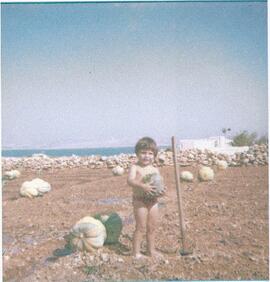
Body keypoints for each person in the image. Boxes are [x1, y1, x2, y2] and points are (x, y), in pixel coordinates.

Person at [127, 137, 166, 259]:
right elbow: (130, 181)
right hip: (140, 201)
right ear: (137, 153)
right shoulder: (135, 167)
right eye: (143, 153)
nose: (146, 156)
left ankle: (151, 251)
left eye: (150, 153)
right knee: (141, 227)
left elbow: (158, 185)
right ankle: (136, 253)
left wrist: (161, 192)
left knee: (151, 227)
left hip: (153, 201)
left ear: (154, 156)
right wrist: (142, 185)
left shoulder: (155, 169)